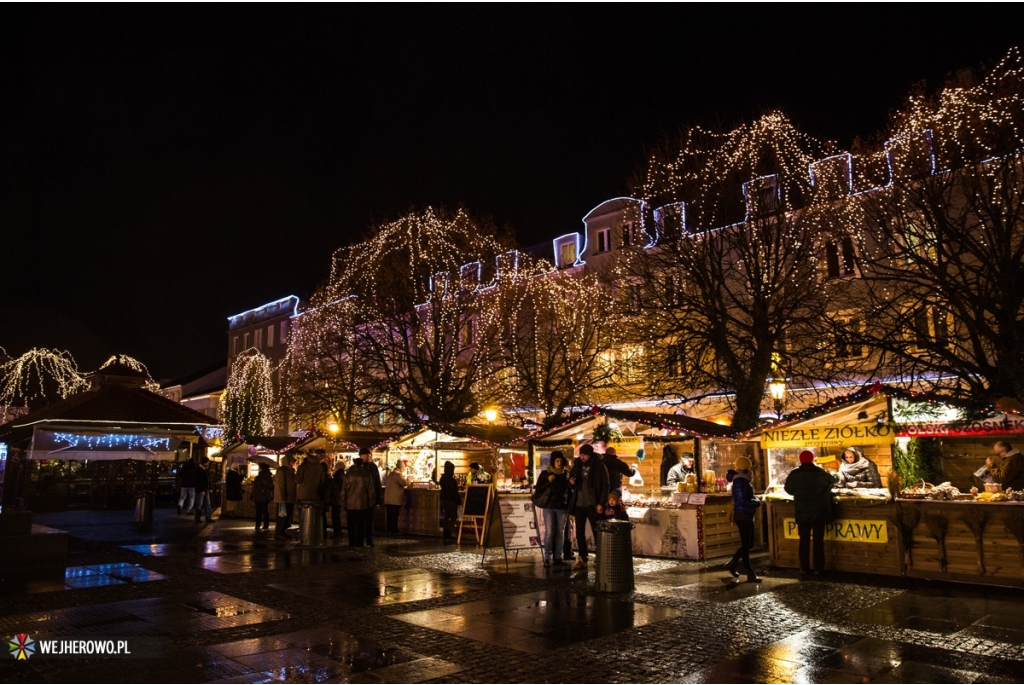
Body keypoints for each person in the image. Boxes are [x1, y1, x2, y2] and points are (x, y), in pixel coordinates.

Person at [784, 450, 834, 578]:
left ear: (800, 460)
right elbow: (831, 483)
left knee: (804, 540)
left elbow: (788, 489)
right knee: (818, 541)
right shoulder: (821, 473)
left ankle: (803, 568)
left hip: (802, 511)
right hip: (819, 511)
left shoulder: (795, 474)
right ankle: (818, 568)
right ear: (812, 459)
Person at [568, 444, 610, 570]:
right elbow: (571, 483)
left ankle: (600, 557)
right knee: (579, 532)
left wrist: (601, 503)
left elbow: (605, 485)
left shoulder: (599, 466)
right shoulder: (577, 465)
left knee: (597, 531)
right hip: (579, 504)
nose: (582, 457)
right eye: (580, 454)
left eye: (584, 455)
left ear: (590, 455)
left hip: (593, 504)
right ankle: (582, 558)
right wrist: (571, 483)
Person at [725, 457, 762, 582]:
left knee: (749, 543)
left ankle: (733, 563)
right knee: (747, 544)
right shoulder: (740, 481)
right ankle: (749, 571)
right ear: (746, 467)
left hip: (746, 514)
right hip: (742, 515)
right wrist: (756, 502)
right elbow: (743, 501)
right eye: (749, 466)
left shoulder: (743, 479)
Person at [533, 450, 570, 567]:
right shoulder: (545, 473)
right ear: (553, 462)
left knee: (560, 533)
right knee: (549, 532)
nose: (558, 463)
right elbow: (538, 488)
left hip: (562, 506)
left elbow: (569, 490)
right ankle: (547, 557)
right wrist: (548, 482)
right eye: (556, 461)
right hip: (549, 506)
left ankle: (558, 557)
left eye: (560, 461)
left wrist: (571, 483)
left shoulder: (566, 474)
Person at [343, 460, 374, 547]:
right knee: (360, 524)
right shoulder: (367, 475)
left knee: (351, 525)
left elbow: (343, 491)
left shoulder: (348, 475)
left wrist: (344, 503)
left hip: (350, 503)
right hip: (362, 503)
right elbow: (370, 492)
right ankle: (359, 542)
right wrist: (370, 503)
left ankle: (351, 542)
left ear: (354, 464)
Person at [358, 448, 383, 546]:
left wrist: (378, 497)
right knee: (362, 519)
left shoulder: (373, 467)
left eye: (369, 455)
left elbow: (377, 483)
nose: (368, 457)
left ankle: (369, 538)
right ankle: (362, 538)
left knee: (369, 519)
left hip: (370, 497)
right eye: (366, 455)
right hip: (361, 497)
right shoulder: (358, 467)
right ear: (361, 456)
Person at [274, 454, 297, 539]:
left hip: (290, 498)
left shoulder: (290, 471)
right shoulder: (282, 471)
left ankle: (282, 531)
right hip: (284, 498)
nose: (293, 463)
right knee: (282, 516)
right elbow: (280, 485)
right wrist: (281, 497)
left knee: (287, 516)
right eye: (292, 461)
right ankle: (279, 532)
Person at [438, 461, 460, 543]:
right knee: (453, 516)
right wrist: (458, 501)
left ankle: (445, 533)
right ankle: (449, 532)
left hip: (443, 499)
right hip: (451, 500)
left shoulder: (442, 478)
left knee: (446, 516)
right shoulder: (452, 481)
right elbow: (454, 492)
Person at [384, 463, 408, 535]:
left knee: (389, 515)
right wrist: (409, 480)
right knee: (394, 514)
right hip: (395, 498)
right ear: (401, 468)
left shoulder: (390, 474)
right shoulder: (398, 475)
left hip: (388, 498)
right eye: (403, 468)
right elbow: (404, 483)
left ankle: (389, 529)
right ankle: (394, 529)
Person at [251, 463, 275, 531]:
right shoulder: (259, 476)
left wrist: (261, 479)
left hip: (263, 495)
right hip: (259, 495)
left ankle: (265, 525)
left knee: (263, 510)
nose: (259, 469)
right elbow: (255, 486)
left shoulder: (267, 476)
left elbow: (269, 485)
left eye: (260, 468)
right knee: (259, 511)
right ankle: (258, 525)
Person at [193, 457, 214, 523]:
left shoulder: (205, 469)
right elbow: (198, 481)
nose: (209, 463)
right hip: (202, 490)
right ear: (205, 462)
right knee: (200, 504)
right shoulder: (200, 470)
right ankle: (198, 518)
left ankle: (208, 517)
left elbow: (207, 480)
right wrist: (201, 490)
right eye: (208, 462)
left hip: (205, 489)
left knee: (207, 503)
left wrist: (209, 487)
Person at [329, 465, 346, 538]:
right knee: (337, 517)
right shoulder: (344, 477)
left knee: (335, 517)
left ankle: (337, 533)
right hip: (340, 499)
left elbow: (335, 489)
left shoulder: (337, 478)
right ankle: (338, 532)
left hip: (336, 500)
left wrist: (333, 496)